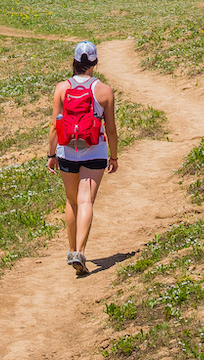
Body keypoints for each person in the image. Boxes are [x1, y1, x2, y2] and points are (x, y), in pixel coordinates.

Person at [47, 40, 118, 275]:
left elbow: (54, 125)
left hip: (67, 151)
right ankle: (80, 252)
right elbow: (111, 128)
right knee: (86, 200)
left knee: (72, 201)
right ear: (95, 62)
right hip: (95, 150)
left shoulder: (61, 87)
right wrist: (114, 157)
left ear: (75, 61)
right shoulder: (104, 90)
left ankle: (71, 250)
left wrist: (51, 154)